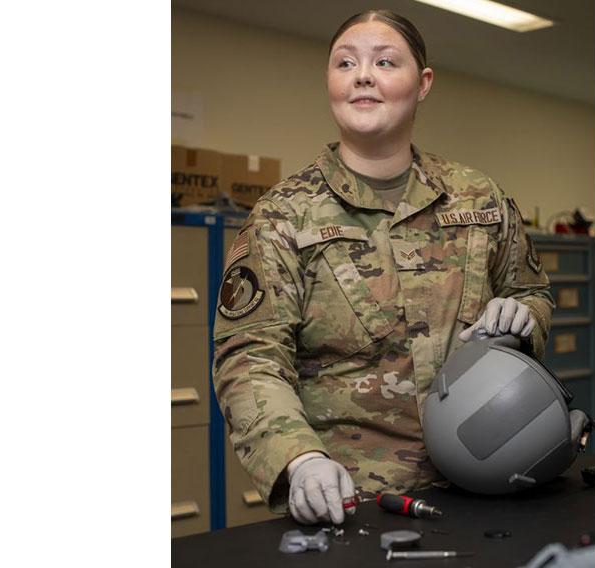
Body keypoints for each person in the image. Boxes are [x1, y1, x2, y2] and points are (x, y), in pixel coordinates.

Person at [212, 9, 554, 526]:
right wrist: (298, 459)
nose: (363, 74)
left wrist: (524, 317)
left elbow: (534, 293)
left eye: (385, 61)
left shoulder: (479, 197)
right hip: (352, 500)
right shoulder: (284, 215)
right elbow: (249, 357)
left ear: (423, 84)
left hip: (488, 483)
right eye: (345, 62)